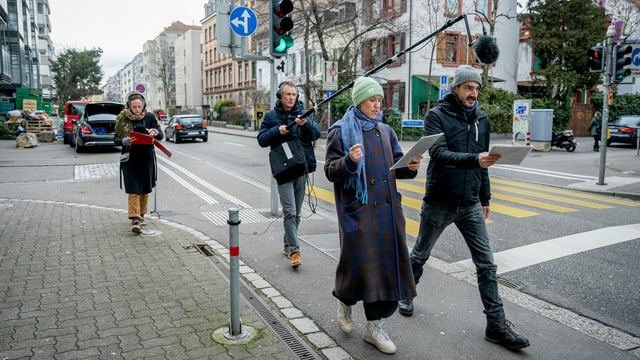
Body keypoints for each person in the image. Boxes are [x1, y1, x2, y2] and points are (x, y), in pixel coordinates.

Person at [398, 65, 530, 350]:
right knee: (420, 254)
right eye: (468, 87)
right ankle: (406, 293)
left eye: (477, 88)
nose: (473, 93)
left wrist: (485, 198)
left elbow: (486, 163)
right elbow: (439, 153)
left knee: (487, 264)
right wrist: (475, 160)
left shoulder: (482, 118)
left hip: (470, 202)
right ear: (455, 88)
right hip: (440, 200)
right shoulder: (436, 116)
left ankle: (496, 325)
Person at [324, 76, 423, 355]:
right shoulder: (340, 131)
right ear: (359, 101)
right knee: (358, 269)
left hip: (389, 212)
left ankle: (374, 327)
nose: (377, 104)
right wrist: (349, 161)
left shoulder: (386, 131)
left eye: (380, 99)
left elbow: (397, 168)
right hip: (359, 213)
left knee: (385, 270)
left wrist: (411, 166)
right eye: (372, 99)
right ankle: (345, 301)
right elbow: (331, 170)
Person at [257, 80, 321, 267]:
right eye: (288, 94)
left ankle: (287, 243)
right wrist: (277, 131)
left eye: (294, 94)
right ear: (280, 96)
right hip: (283, 169)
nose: (291, 98)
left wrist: (305, 124)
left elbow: (316, 134)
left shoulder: (304, 113)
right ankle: (295, 251)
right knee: (290, 212)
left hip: (301, 168)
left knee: (297, 213)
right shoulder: (271, 116)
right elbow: (261, 139)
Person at [114, 92, 163, 234]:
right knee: (133, 189)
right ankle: (135, 219)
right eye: (134, 107)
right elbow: (115, 139)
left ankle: (141, 215)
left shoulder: (149, 117)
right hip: (130, 159)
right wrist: (124, 140)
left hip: (147, 158)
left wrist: (155, 131)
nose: (137, 110)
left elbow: (161, 135)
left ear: (143, 105)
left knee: (145, 189)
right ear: (129, 106)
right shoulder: (122, 119)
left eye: (139, 106)